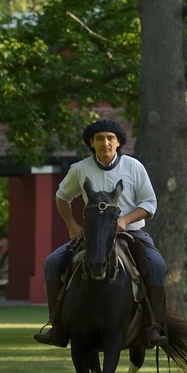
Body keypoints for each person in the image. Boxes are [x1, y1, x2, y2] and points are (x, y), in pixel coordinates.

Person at [34, 118, 168, 348]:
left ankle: (151, 327)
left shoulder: (134, 167)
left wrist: (126, 219)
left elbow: (150, 203)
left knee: (157, 266)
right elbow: (61, 196)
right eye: (99, 139)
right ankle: (57, 326)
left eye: (110, 138)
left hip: (132, 234)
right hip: (92, 237)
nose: (105, 143)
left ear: (118, 143)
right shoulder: (79, 169)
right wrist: (71, 225)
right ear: (91, 143)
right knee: (52, 263)